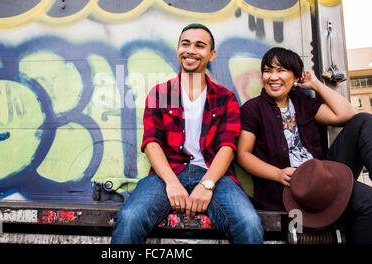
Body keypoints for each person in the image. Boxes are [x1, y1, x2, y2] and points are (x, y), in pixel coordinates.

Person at [111, 24, 263, 244]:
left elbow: (228, 147)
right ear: (178, 49)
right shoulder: (163, 93)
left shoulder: (224, 97)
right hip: (167, 174)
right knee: (130, 218)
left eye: (200, 46)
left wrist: (207, 184)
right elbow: (152, 142)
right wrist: (172, 183)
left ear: (212, 54)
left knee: (248, 223)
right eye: (186, 44)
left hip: (214, 175)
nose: (191, 50)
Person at [237, 47, 372, 243]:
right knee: (367, 202)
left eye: (281, 70)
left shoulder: (302, 102)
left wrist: (316, 85)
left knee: (363, 121)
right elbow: (243, 154)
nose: (273, 77)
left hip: (321, 175)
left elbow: (347, 114)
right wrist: (278, 173)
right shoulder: (253, 109)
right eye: (268, 70)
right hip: (289, 186)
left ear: (296, 77)